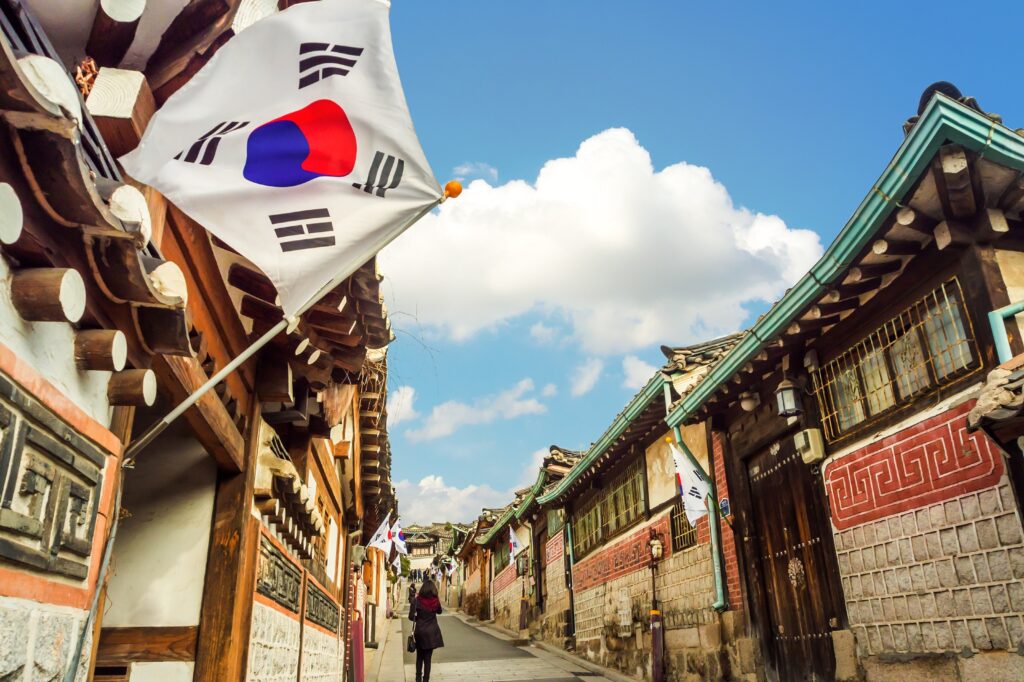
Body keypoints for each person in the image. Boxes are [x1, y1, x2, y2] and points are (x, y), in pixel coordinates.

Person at [409, 579, 444, 682]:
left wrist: (419, 617)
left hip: (419, 632)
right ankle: (426, 680)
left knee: (419, 657)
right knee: (428, 659)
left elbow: (411, 617)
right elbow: (440, 612)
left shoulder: (417, 600)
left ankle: (418, 678)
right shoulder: (435, 600)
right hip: (432, 633)